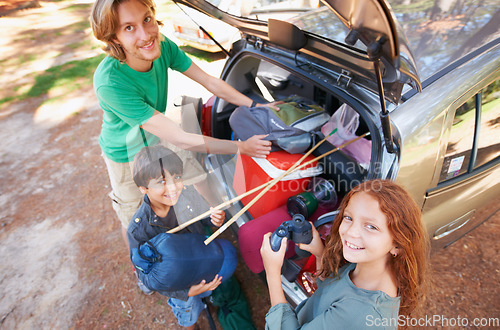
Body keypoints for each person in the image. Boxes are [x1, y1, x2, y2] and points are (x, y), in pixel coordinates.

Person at [90, 0, 275, 247]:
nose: (146, 35)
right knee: (134, 216)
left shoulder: (162, 45)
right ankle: (142, 265)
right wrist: (241, 148)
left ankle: (216, 218)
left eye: (146, 19)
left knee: (194, 173)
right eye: (129, 28)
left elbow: (209, 81)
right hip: (125, 154)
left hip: (159, 132)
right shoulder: (109, 82)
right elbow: (179, 137)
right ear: (113, 38)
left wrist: (255, 106)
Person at [260, 180, 429, 329]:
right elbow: (330, 290)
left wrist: (272, 272)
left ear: (398, 245)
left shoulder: (359, 313)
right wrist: (320, 253)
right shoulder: (368, 264)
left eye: (371, 227)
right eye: (348, 218)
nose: (351, 232)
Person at [128, 145, 229, 329]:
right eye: (161, 181)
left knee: (223, 263)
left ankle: (206, 297)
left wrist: (214, 218)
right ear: (143, 188)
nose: (173, 187)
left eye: (177, 177)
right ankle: (189, 324)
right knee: (188, 309)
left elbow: (205, 216)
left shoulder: (187, 193)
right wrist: (186, 292)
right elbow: (147, 277)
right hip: (178, 281)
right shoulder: (138, 230)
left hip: (198, 256)